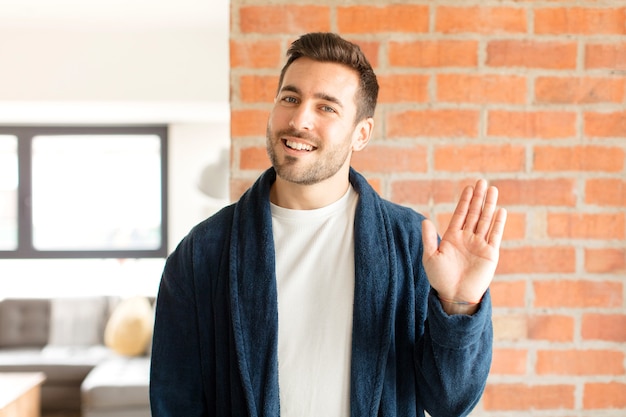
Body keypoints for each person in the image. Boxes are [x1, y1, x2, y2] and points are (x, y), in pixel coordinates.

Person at [150, 32, 507, 417]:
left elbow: (450, 402)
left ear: (361, 134)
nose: (300, 119)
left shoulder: (411, 244)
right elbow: (175, 403)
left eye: (326, 108)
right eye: (290, 98)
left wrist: (458, 307)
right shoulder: (202, 253)